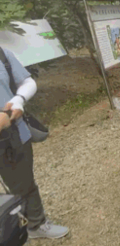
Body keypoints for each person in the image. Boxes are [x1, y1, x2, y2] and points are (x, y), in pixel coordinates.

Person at [0, 48, 69, 239]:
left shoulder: (2, 53)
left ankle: (35, 224)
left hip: (13, 136)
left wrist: (19, 100)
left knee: (24, 182)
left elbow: (27, 81)